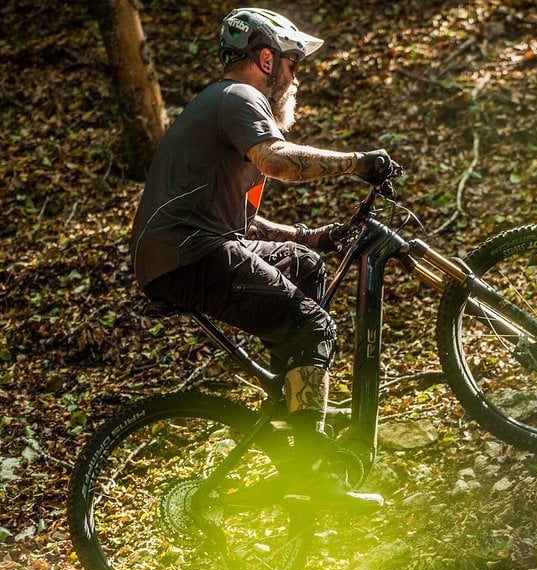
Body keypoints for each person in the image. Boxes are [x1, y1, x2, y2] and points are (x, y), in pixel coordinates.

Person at [130, 8, 398, 509]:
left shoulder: (219, 108)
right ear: (267, 58)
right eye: (294, 63)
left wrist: (312, 236)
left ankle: (293, 412)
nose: (296, 77)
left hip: (193, 247)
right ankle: (309, 470)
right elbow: (276, 161)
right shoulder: (239, 97)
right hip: (192, 252)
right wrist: (359, 163)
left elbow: (246, 225)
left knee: (304, 266)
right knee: (315, 328)